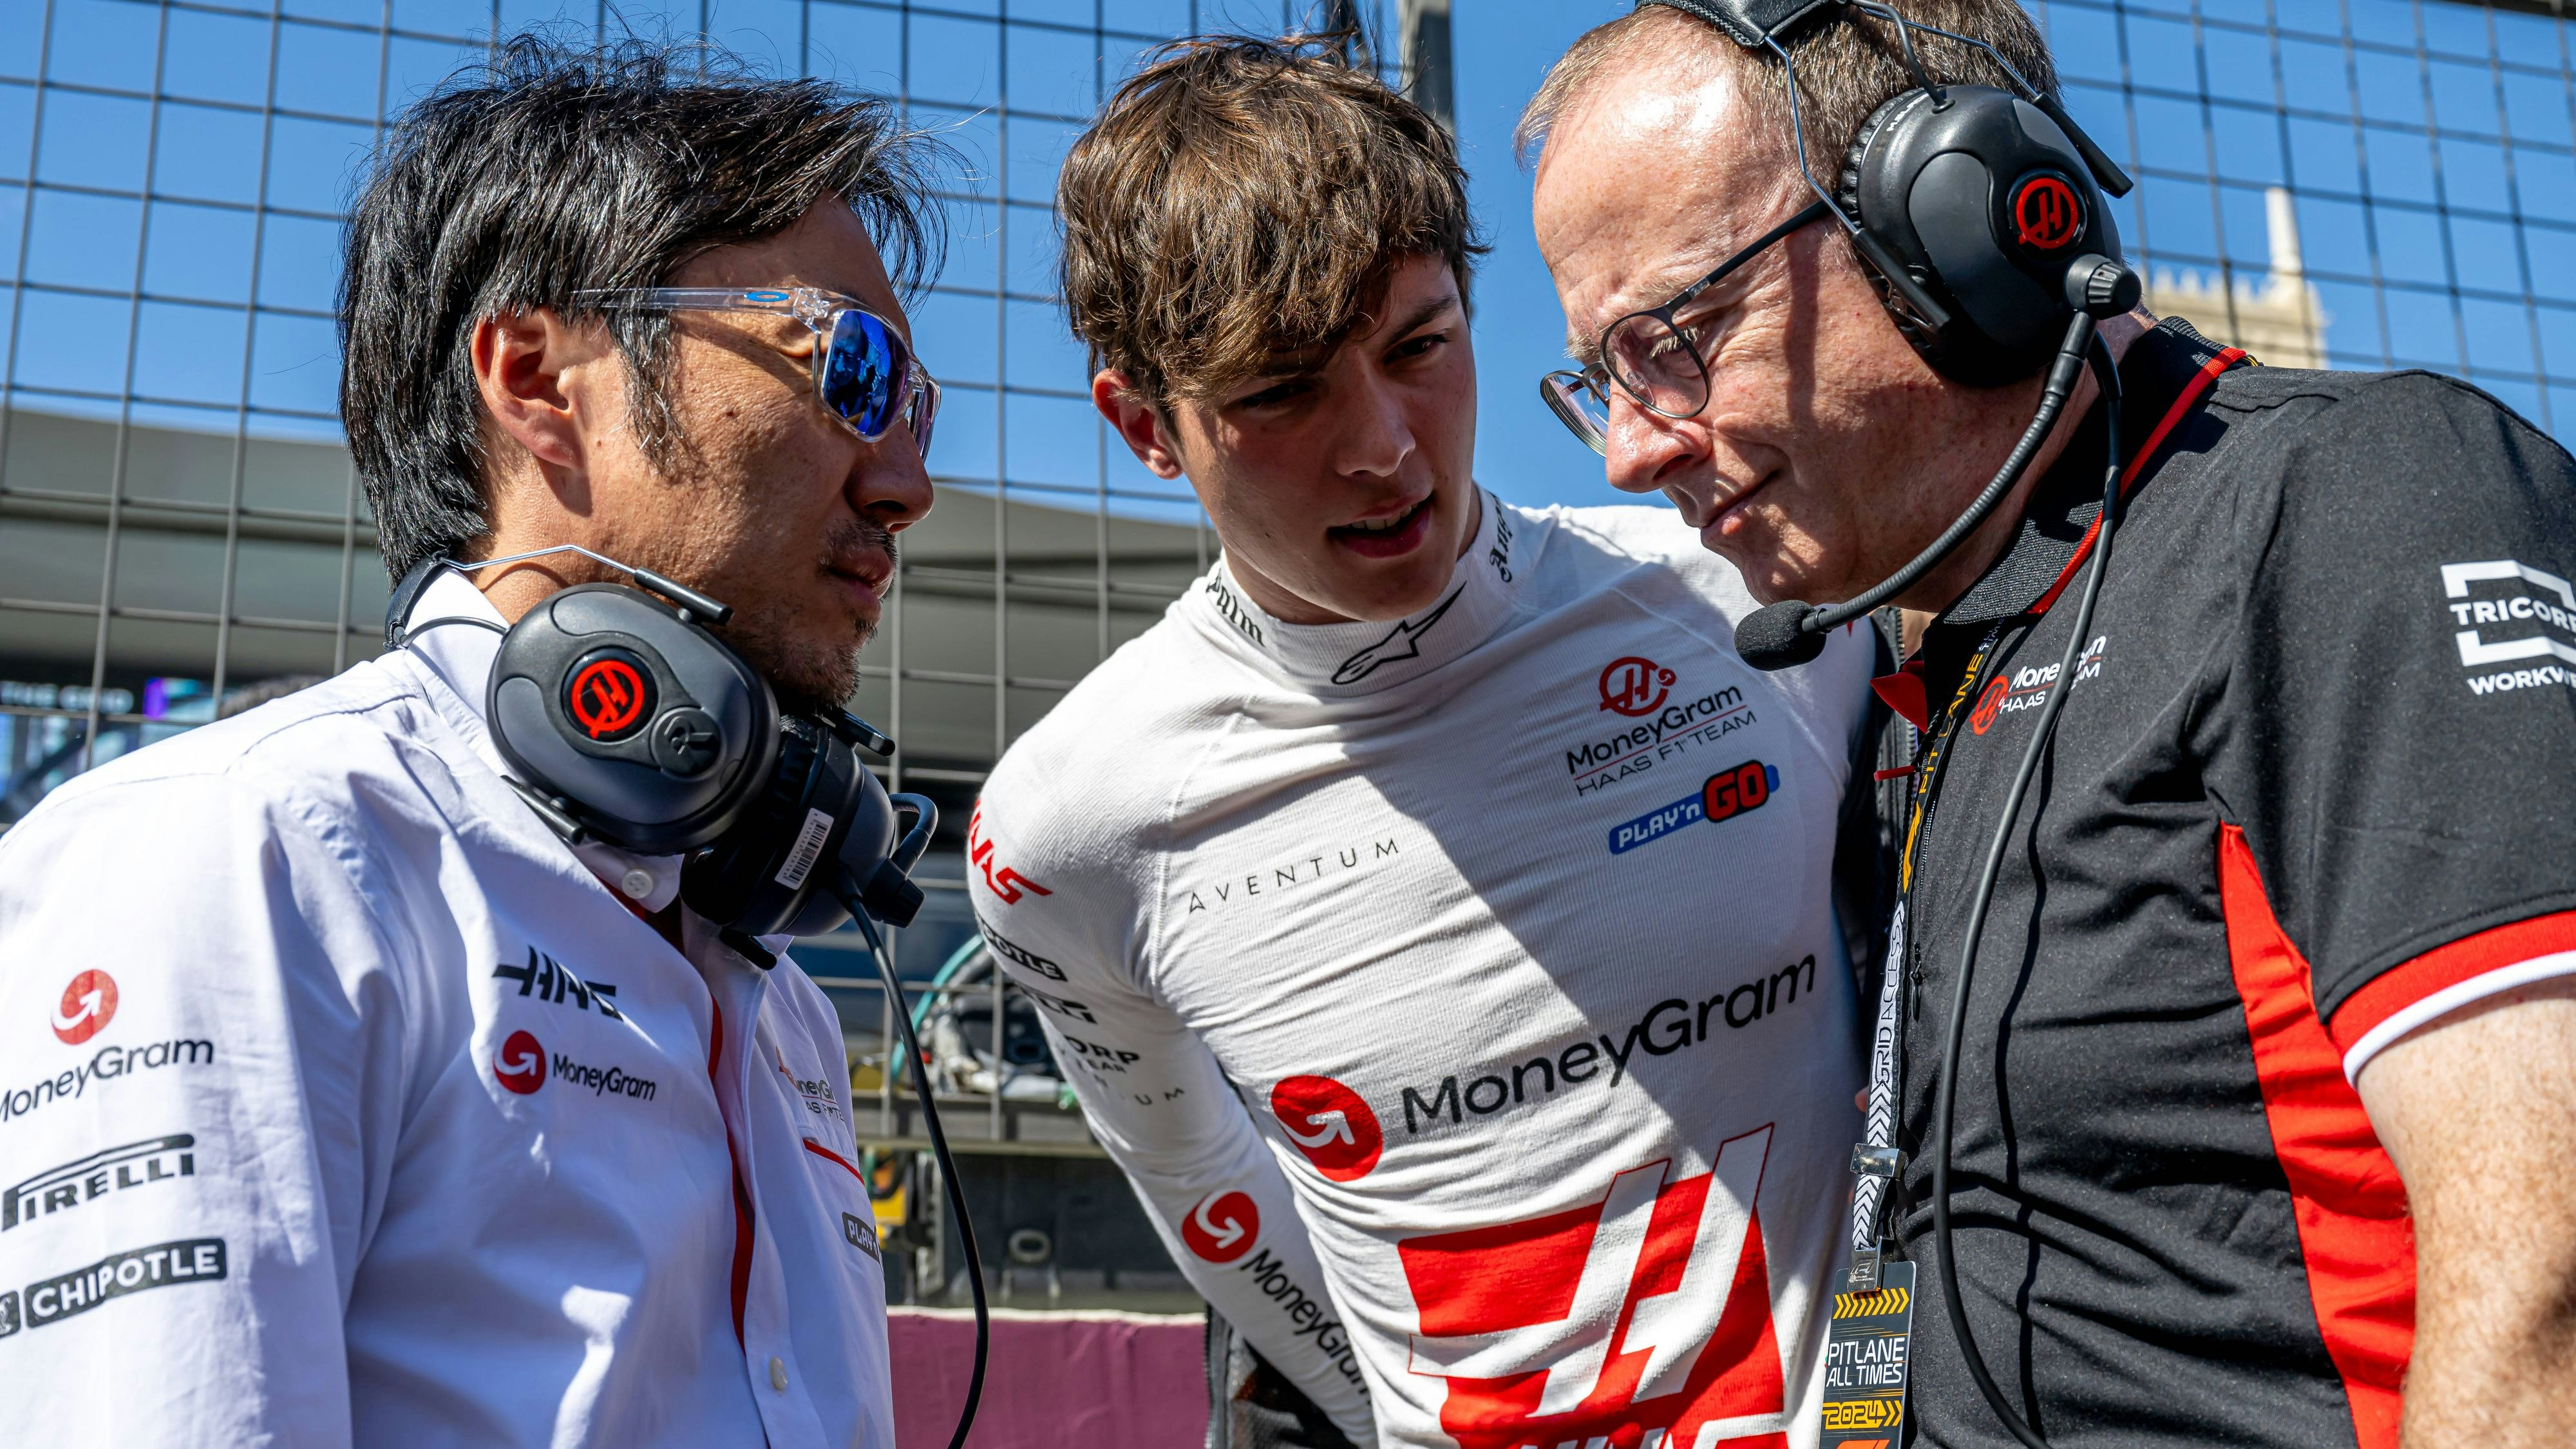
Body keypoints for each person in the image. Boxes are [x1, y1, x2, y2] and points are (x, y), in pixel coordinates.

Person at [1524, 3, 2576, 1446]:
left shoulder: (2360, 498)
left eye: (1672, 341)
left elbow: (2546, 1276)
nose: (1631, 449)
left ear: (1946, 230)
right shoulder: (1914, 659)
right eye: (1599, 378)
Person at [0, 38, 945, 1448]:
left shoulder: (780, 995)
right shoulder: (248, 854)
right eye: (851, 368)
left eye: (916, 406)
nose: (908, 481)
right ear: (537, 377)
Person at [970, 35, 1885, 1449]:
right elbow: (1206, 1196)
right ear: (1144, 424)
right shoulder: (1066, 826)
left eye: (1418, 347)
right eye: (1279, 393)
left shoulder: (1751, 604)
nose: (1385, 449)